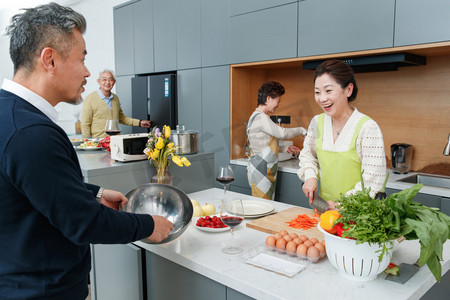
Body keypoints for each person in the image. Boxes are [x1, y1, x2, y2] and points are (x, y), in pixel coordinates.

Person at [0, 3, 173, 299]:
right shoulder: (32, 134)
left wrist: (93, 193)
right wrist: (148, 225)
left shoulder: (10, 114)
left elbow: (35, 188)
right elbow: (83, 222)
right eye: (82, 59)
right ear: (50, 60)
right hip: (43, 290)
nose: (88, 71)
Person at [298, 60, 386, 209]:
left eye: (328, 90)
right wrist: (310, 177)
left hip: (361, 215)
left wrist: (343, 204)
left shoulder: (367, 127)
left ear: (348, 90)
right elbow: (308, 155)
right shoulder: (316, 122)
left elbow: (372, 180)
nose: (322, 98)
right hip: (326, 212)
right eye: (317, 92)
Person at [246, 81, 307, 200]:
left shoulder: (260, 117)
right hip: (261, 171)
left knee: (267, 206)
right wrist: (301, 130)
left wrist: (285, 149)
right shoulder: (260, 117)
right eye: (278, 101)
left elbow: (263, 145)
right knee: (262, 208)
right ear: (268, 98)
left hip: (264, 170)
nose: (278, 105)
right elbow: (282, 133)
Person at [81, 69, 151, 138]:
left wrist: (139, 122)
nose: (107, 82)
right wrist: (87, 143)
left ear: (114, 82)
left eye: (110, 79)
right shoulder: (90, 98)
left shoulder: (115, 98)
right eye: (104, 79)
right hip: (98, 142)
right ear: (99, 82)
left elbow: (121, 118)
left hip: (116, 140)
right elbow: (85, 124)